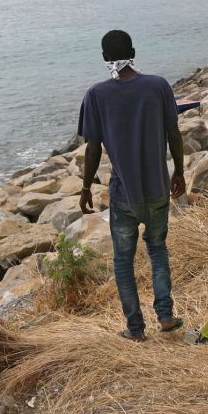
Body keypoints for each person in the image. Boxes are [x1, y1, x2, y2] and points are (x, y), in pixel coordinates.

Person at [78, 30, 186, 342]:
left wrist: (86, 187)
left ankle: (135, 328)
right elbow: (174, 134)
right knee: (157, 249)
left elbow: (93, 147)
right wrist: (179, 172)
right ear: (134, 51)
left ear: (103, 58)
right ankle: (165, 316)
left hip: (123, 194)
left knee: (123, 262)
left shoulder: (96, 95)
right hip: (157, 190)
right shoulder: (158, 86)